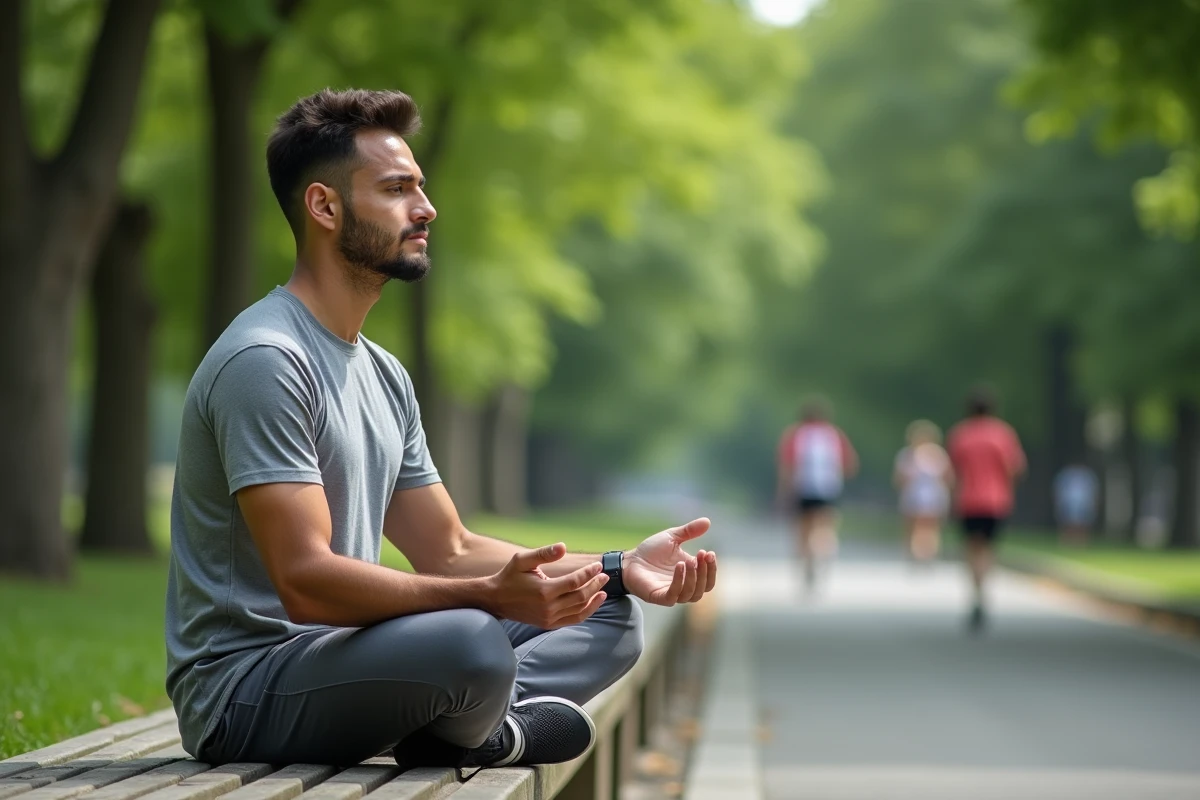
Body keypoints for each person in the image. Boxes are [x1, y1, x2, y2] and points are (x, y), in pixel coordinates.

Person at [164, 89, 718, 772]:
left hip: (348, 659)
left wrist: (616, 569)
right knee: (472, 642)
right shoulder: (267, 362)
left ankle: (467, 728)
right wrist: (490, 598)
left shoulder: (384, 374)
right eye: (397, 189)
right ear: (324, 206)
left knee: (606, 614)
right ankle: (484, 728)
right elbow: (305, 582)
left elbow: (449, 550)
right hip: (246, 692)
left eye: (420, 188)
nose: (426, 209)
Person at [947, 387, 1026, 632]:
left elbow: (952, 472)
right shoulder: (1002, 434)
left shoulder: (960, 434)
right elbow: (1016, 468)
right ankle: (984, 592)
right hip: (995, 501)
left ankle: (976, 593)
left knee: (972, 548)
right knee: (989, 549)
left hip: (968, 500)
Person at [776, 399, 858, 590]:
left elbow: (787, 466)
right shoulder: (834, 435)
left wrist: (782, 492)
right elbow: (851, 464)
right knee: (825, 526)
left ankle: (807, 563)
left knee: (803, 530)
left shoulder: (796, 434)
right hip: (828, 489)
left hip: (803, 488)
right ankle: (824, 552)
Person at [893, 420, 953, 564]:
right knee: (915, 527)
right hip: (916, 496)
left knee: (928, 527)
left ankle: (924, 554)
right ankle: (918, 554)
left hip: (931, 497)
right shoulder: (908, 455)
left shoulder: (937, 454)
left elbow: (947, 477)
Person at [1054, 462, 1100, 546]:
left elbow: (1093, 490)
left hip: (1083, 503)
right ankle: (1067, 542)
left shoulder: (1087, 475)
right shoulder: (1066, 474)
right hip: (1069, 502)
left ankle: (1082, 543)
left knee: (1083, 523)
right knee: (1068, 523)